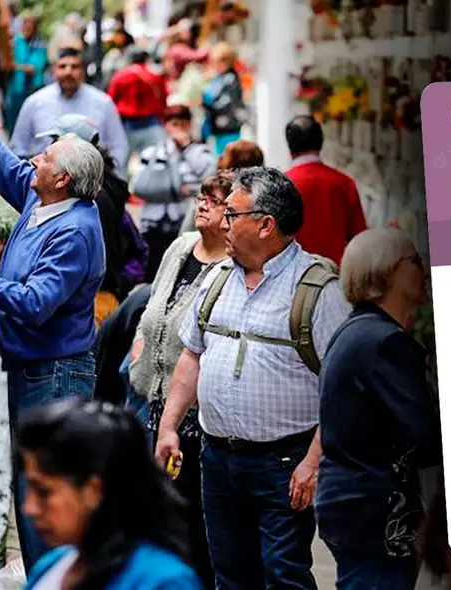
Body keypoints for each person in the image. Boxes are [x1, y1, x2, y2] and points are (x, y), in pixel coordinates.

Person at [0, 80, 107, 572]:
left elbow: (34, 303)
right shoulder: (44, 201)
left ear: (64, 179)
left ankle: (55, 580)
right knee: (30, 487)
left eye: (46, 158)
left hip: (55, 374)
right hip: (32, 367)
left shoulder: (73, 230)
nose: (35, 161)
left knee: (47, 492)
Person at [154, 167, 353, 589]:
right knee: (230, 574)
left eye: (232, 214)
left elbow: (344, 390)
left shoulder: (318, 290)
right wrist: (169, 425)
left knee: (283, 575)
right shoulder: (217, 279)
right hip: (218, 459)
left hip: (285, 464)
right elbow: (192, 354)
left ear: (266, 225)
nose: (222, 223)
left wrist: (313, 463)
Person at [315, 228, 442, 589]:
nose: (425, 272)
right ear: (386, 271)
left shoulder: (356, 330)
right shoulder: (385, 342)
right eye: (415, 262)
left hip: (349, 502)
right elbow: (425, 437)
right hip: (376, 510)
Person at [128, 171, 234, 587]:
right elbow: (154, 306)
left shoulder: (230, 270)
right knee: (152, 516)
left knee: (191, 523)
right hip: (152, 405)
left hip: (195, 419)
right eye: (202, 196)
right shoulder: (179, 247)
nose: (202, 203)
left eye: (215, 199)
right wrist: (139, 349)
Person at [18, 399, 202, 589]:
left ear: (93, 490)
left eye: (44, 492)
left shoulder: (163, 582)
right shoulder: (53, 565)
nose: (29, 508)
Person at [35, 113, 149, 323]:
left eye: (55, 143)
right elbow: (138, 248)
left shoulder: (92, 196)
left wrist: (116, 285)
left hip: (90, 305)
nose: (45, 153)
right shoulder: (106, 187)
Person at [9, 45, 130, 174]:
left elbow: (119, 146)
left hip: (93, 185)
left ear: (83, 70)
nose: (68, 72)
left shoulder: (103, 102)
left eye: (74, 66)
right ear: (54, 70)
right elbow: (18, 148)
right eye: (62, 66)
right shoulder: (34, 102)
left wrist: (110, 181)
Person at [131, 104, 217, 283]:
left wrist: (187, 147)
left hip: (185, 222)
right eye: (174, 124)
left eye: (183, 124)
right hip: (154, 224)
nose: (179, 129)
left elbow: (210, 177)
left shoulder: (200, 152)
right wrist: (176, 191)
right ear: (166, 126)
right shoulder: (153, 153)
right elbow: (139, 186)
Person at [284, 115, 368, 265]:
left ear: (290, 147)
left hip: (292, 277)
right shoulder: (344, 183)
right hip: (335, 276)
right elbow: (360, 241)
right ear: (321, 143)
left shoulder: (281, 184)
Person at [178, 139, 264, 234]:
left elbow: (186, 230)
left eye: (224, 156)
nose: (220, 158)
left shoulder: (217, 190)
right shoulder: (261, 194)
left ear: (235, 163)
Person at [107, 47, 169, 158]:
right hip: (152, 123)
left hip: (126, 125)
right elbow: (163, 98)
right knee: (155, 161)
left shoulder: (121, 75)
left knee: (121, 162)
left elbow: (111, 100)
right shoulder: (154, 75)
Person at [3, 11, 47, 138]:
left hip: (33, 88)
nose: (27, 27)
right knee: (13, 119)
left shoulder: (39, 44)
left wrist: (16, 66)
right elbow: (6, 63)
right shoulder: (16, 42)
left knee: (32, 120)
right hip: (16, 88)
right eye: (25, 23)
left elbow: (33, 68)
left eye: (30, 24)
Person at [201, 42, 247, 156]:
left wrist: (205, 102)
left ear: (227, 61)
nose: (215, 65)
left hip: (228, 129)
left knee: (227, 161)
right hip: (217, 129)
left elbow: (225, 103)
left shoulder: (230, 79)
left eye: (218, 61)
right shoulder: (219, 78)